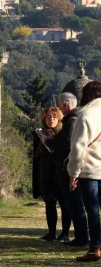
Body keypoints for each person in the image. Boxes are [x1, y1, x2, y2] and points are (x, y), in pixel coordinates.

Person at [43, 93, 88, 246]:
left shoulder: (71, 121)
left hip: (69, 169)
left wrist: (49, 142)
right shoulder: (78, 118)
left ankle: (81, 237)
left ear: (66, 105)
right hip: (71, 169)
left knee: (74, 205)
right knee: (74, 205)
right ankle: (81, 236)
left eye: (61, 106)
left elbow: (66, 145)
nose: (60, 109)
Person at [68, 81, 101, 262]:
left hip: (90, 171)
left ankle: (95, 248)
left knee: (93, 212)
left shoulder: (85, 115)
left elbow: (78, 148)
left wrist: (73, 173)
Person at [33, 107, 71, 241]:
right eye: (49, 117)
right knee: (49, 203)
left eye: (54, 117)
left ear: (59, 118)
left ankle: (65, 233)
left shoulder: (63, 133)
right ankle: (51, 232)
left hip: (61, 173)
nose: (51, 119)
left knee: (64, 204)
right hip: (46, 173)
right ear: (44, 118)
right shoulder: (40, 133)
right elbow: (36, 156)